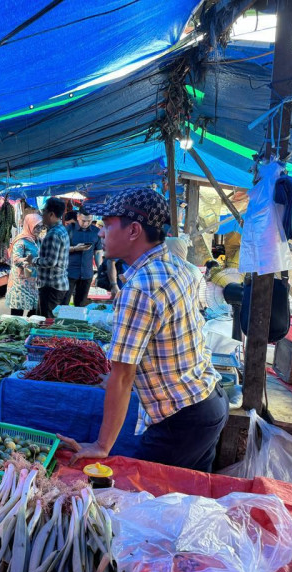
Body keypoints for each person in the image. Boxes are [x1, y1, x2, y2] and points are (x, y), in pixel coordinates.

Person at [58, 187, 227, 473]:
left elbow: (123, 376)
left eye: (107, 225)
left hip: (180, 419)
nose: (100, 232)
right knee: (186, 496)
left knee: (149, 498)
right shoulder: (179, 266)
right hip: (207, 400)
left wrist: (102, 445)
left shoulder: (139, 288)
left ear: (134, 230)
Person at [32, 197, 70, 317]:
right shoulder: (61, 230)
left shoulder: (53, 234)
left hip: (51, 286)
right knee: (54, 320)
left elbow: (50, 261)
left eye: (43, 211)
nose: (42, 214)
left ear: (51, 214)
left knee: (48, 322)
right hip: (59, 284)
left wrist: (32, 260)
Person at [5, 213, 43, 316]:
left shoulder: (38, 240)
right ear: (29, 225)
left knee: (34, 311)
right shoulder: (21, 241)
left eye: (41, 226)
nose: (39, 229)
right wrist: (28, 260)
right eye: (36, 226)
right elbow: (16, 260)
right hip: (21, 283)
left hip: (33, 280)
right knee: (18, 312)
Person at [65, 209, 103, 307]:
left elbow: (98, 252)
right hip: (69, 273)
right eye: (83, 221)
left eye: (89, 221)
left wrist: (100, 270)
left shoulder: (96, 231)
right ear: (78, 217)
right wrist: (74, 248)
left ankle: (77, 322)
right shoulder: (69, 229)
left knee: (81, 304)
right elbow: (59, 249)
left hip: (87, 273)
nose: (86, 223)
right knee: (64, 302)